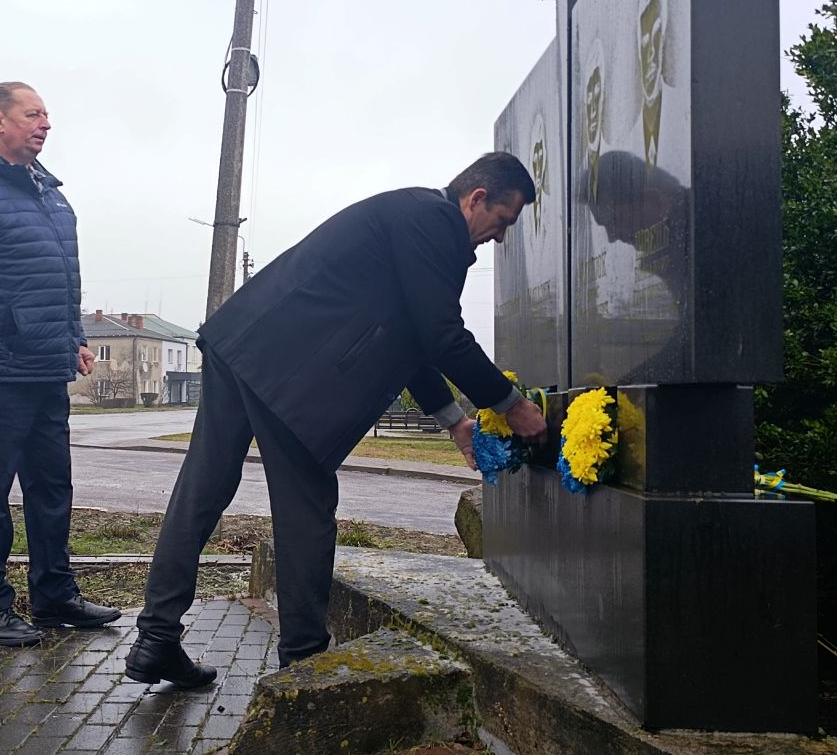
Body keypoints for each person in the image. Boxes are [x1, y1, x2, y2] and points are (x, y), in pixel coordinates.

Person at [127, 153, 551, 688]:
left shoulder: (416, 215)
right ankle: (304, 664)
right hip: (286, 368)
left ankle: (156, 638)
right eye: (503, 220)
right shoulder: (435, 223)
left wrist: (453, 421)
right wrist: (511, 404)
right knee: (306, 510)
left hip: (243, 342)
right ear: (477, 198)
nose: (501, 236)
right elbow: (442, 335)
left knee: (202, 491)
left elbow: (415, 339)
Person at [0, 82, 121, 647]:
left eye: (47, 115)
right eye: (34, 114)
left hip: (46, 369)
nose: (45, 124)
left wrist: (75, 338)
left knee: (52, 489)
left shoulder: (51, 196)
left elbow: (63, 282)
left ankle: (54, 595)